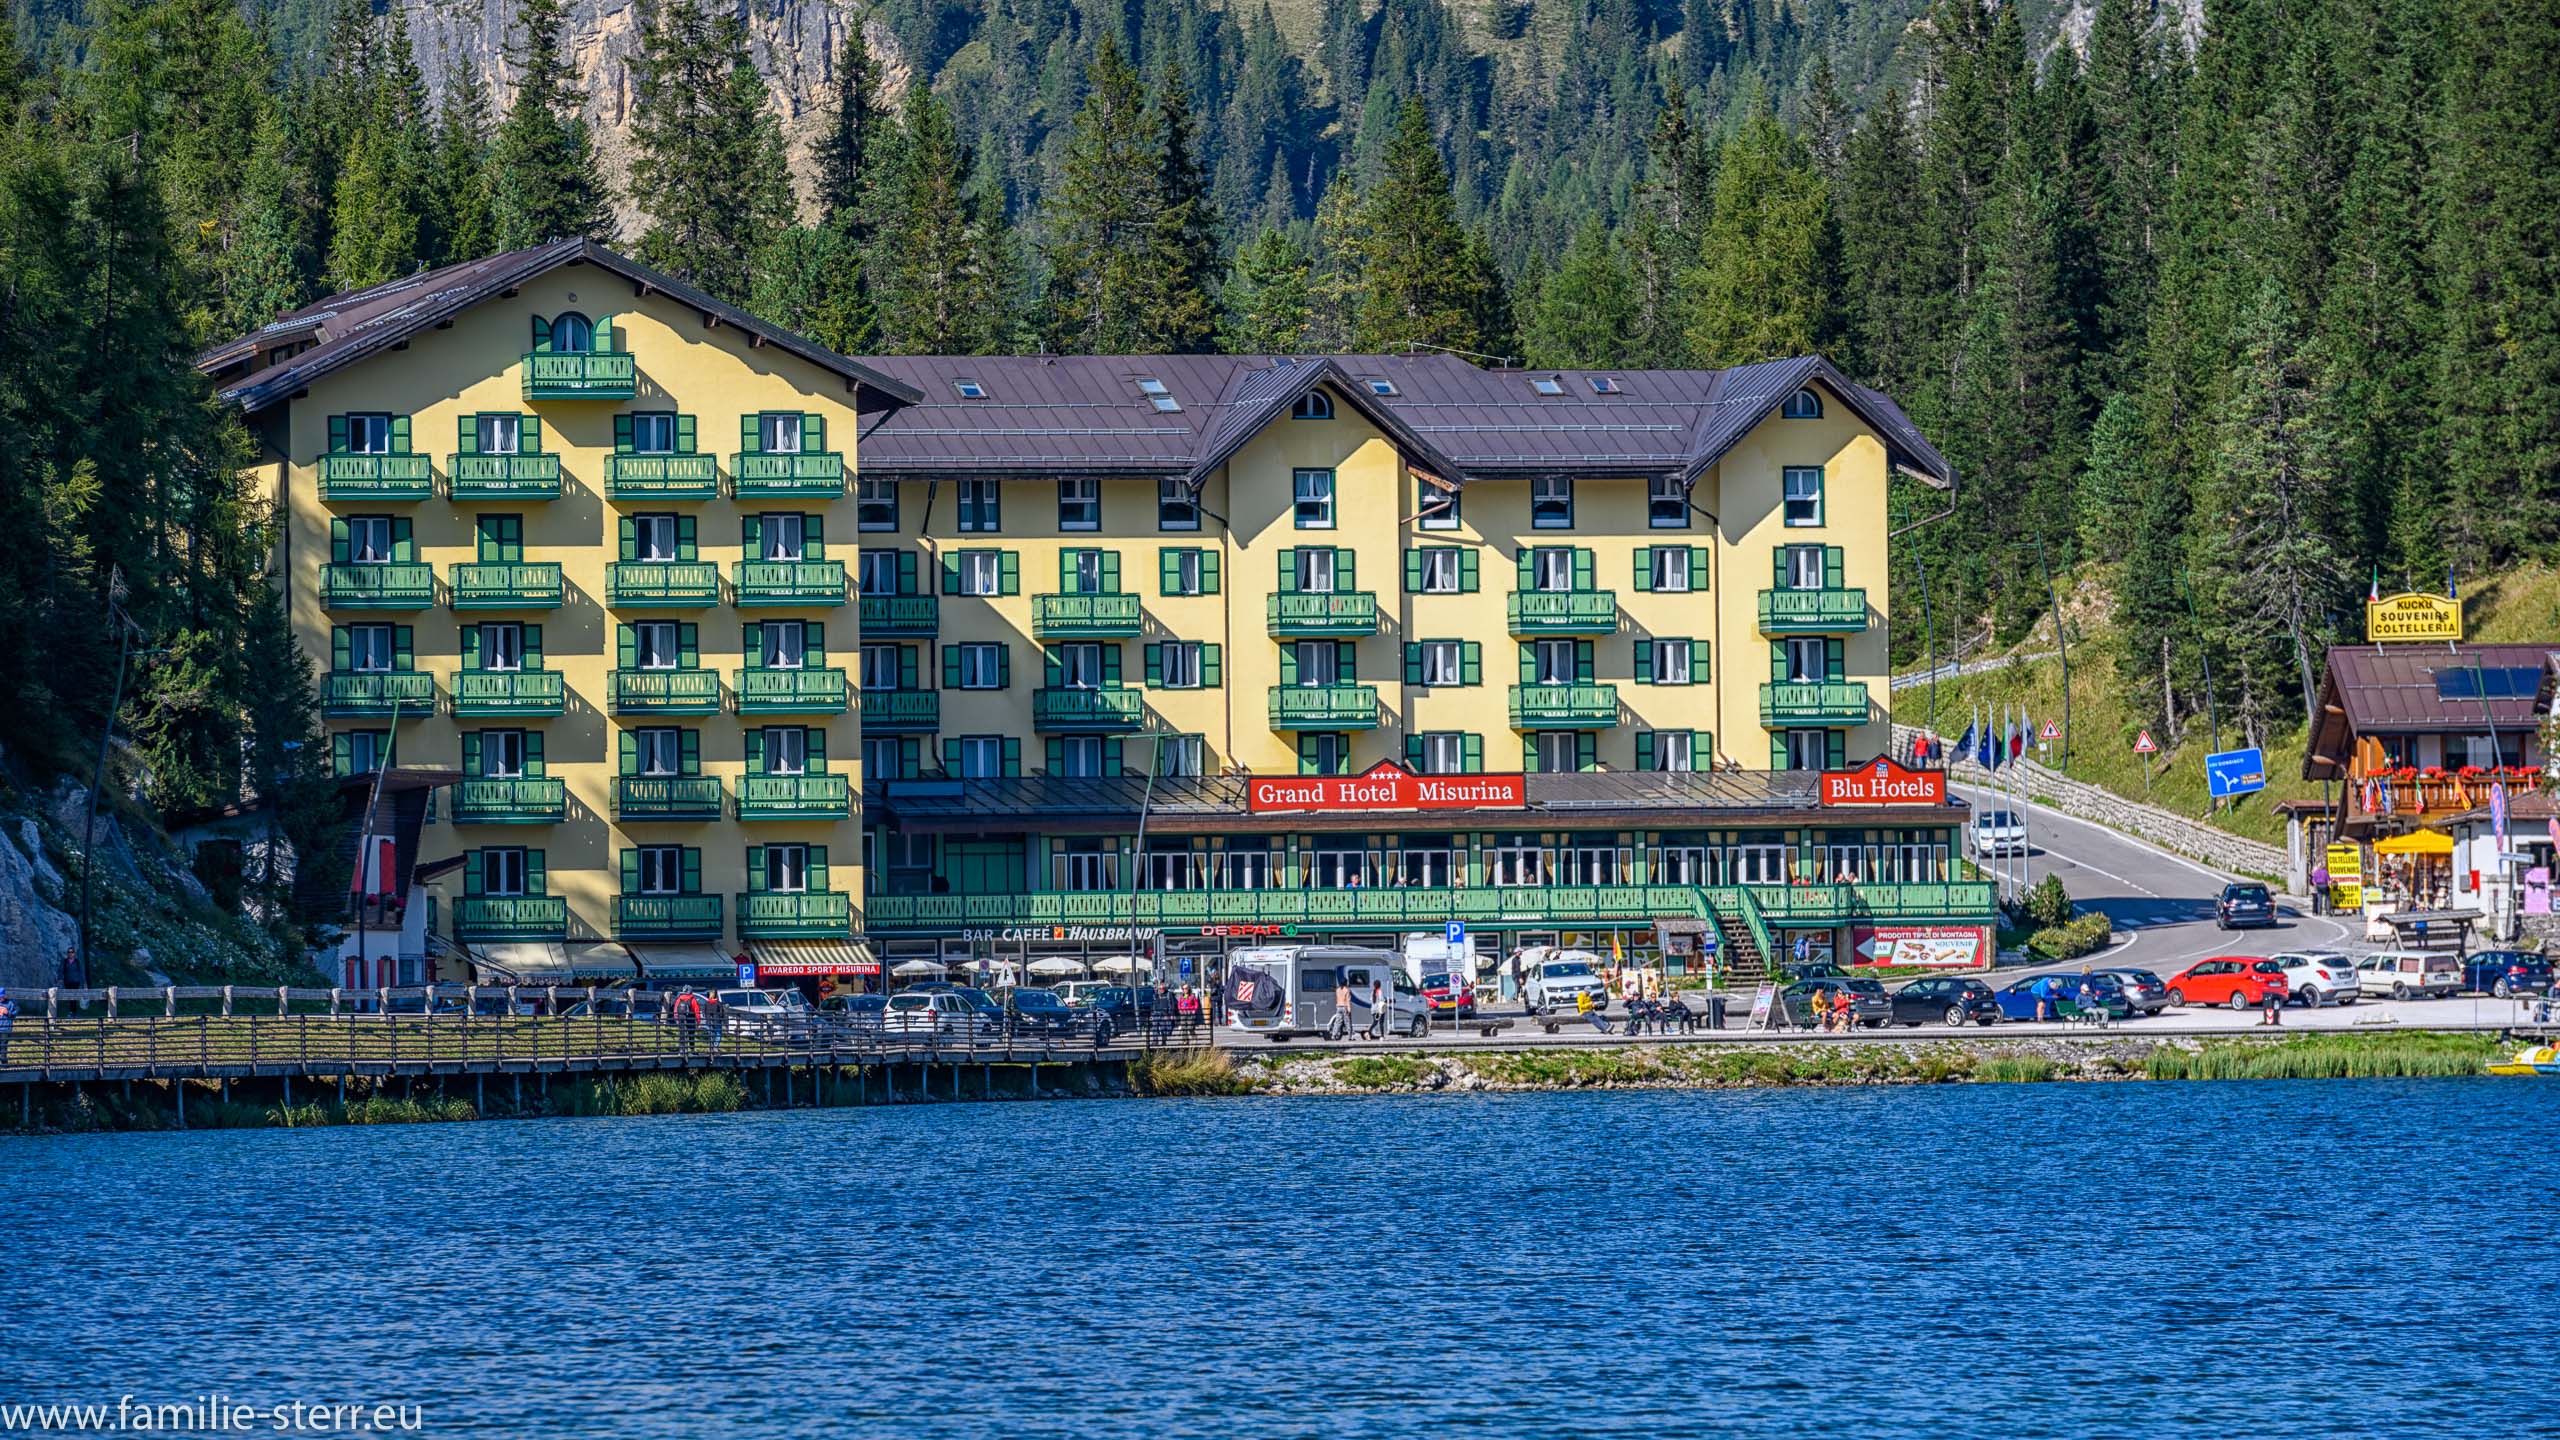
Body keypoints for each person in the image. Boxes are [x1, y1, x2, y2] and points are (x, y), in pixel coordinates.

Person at [1331, 974, 1354, 1041]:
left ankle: (1333, 1035)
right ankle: (1350, 1036)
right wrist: (1349, 1010)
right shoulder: (1347, 990)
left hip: (1338, 1007)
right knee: (1347, 1022)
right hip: (1345, 1007)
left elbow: (1337, 998)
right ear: (1345, 983)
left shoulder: (1337, 990)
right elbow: (1348, 1000)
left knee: (1337, 1022)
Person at [0, 986, 14, 1064]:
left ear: (4, 996)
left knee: (3, 1046)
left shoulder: (10, 1003)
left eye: (1, 997)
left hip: (5, 1029)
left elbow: (15, 1013)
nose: (0, 998)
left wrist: (8, 1013)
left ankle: (4, 1063)